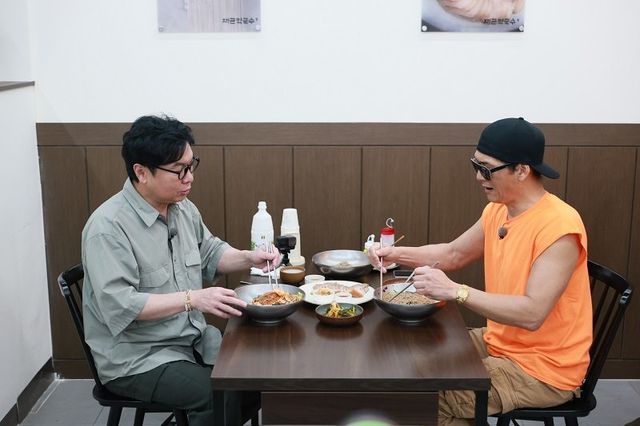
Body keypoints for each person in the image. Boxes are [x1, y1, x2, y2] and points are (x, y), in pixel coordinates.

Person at [368, 117, 592, 425]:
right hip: (500, 341)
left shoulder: (559, 227)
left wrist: (455, 291)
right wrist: (394, 254)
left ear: (522, 170)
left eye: (486, 169)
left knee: (427, 398)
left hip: (543, 368)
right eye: (475, 165)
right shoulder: (498, 210)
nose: (477, 176)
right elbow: (453, 254)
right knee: (408, 357)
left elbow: (532, 313)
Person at [81, 115, 279, 426]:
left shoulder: (182, 208)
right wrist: (192, 299)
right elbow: (120, 305)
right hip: (137, 357)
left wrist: (249, 258)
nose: (190, 178)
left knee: (258, 376)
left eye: (191, 165)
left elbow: (210, 251)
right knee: (217, 395)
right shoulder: (108, 228)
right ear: (141, 172)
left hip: (190, 339)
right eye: (179, 170)